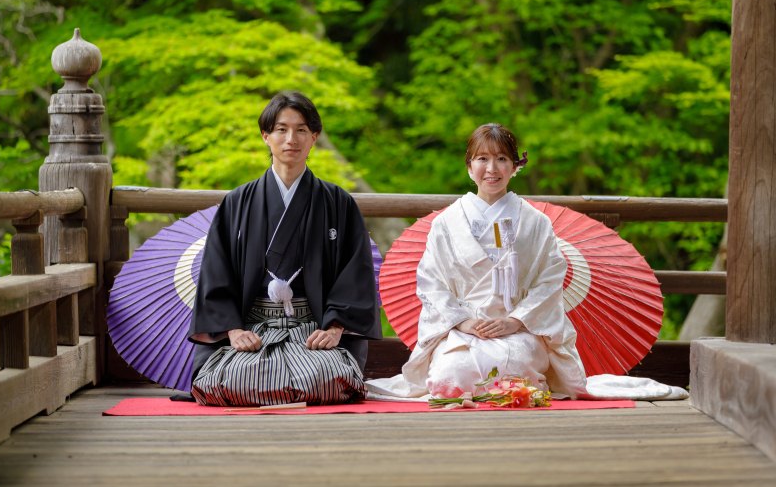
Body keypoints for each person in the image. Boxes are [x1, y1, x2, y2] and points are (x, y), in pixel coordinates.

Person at [366, 124, 687, 401]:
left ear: (515, 166)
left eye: (501, 159)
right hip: (464, 328)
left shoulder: (536, 222)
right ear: (469, 166)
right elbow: (431, 283)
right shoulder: (447, 223)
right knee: (453, 373)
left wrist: (515, 321)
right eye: (483, 159)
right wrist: (462, 322)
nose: (492, 169)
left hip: (520, 328)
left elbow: (549, 281)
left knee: (517, 367)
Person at [187, 92, 382, 407]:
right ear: (266, 136)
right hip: (254, 329)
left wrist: (334, 328)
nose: (291, 138)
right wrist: (234, 330)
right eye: (281, 129)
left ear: (314, 137)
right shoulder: (237, 202)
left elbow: (355, 272)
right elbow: (215, 271)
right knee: (233, 380)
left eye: (301, 130)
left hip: (312, 329)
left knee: (326, 376)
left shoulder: (338, 202)